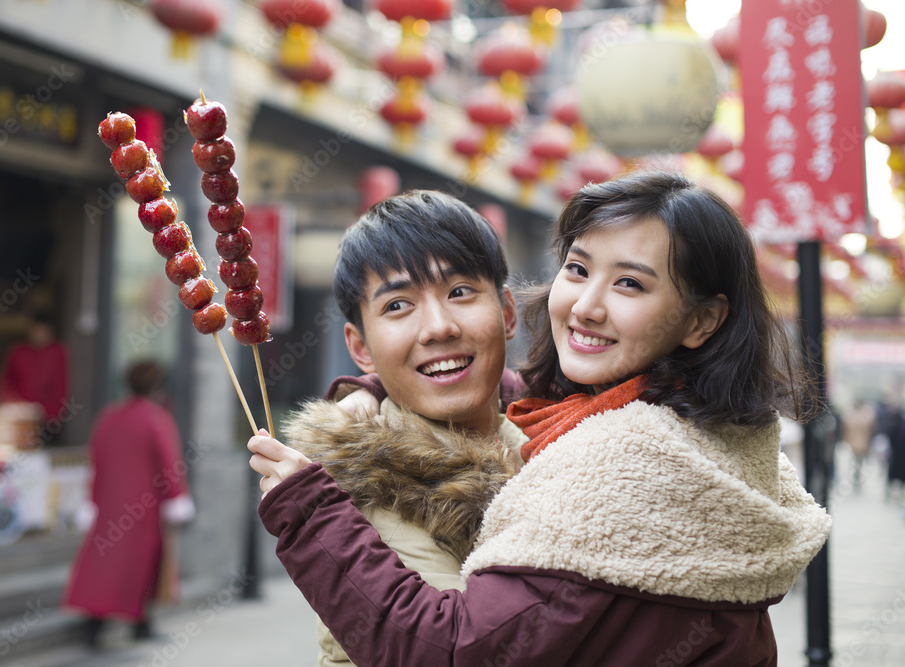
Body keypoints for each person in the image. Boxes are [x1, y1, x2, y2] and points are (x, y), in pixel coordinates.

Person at [248, 170, 832, 665]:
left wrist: (308, 509)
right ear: (359, 343)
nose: (585, 305)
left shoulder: (628, 468)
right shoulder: (613, 418)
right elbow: (521, 396)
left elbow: (452, 650)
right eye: (577, 270)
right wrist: (368, 395)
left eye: (630, 283)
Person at [281, 190, 526, 666]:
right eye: (397, 305)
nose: (437, 328)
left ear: (508, 313)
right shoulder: (366, 488)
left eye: (459, 292)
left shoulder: (550, 430)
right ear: (361, 347)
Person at [63, 360, 194, 647]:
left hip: (110, 504)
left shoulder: (109, 416)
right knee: (142, 568)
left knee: (103, 566)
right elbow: (170, 466)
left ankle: (95, 627)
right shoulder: (156, 418)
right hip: (144, 508)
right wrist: (178, 499)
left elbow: (96, 459)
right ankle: (139, 625)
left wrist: (94, 498)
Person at [0, 311, 69, 423]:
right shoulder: (18, 352)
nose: (40, 335)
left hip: (47, 420)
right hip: (19, 417)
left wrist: (47, 413)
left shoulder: (57, 353)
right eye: (37, 330)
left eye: (44, 331)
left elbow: (60, 390)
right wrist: (17, 406)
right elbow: (6, 384)